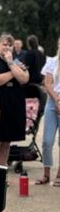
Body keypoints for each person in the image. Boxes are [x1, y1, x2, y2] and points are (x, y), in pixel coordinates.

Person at [0, 33, 29, 167]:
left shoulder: (17, 62)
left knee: (7, 142)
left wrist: (10, 63)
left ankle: (3, 172)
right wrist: (14, 72)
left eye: (10, 45)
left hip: (14, 106)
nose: (7, 47)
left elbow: (24, 78)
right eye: (4, 44)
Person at [36, 36, 60, 186]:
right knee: (46, 141)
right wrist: (57, 100)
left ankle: (59, 174)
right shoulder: (52, 61)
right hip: (52, 101)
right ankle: (46, 174)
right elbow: (47, 83)